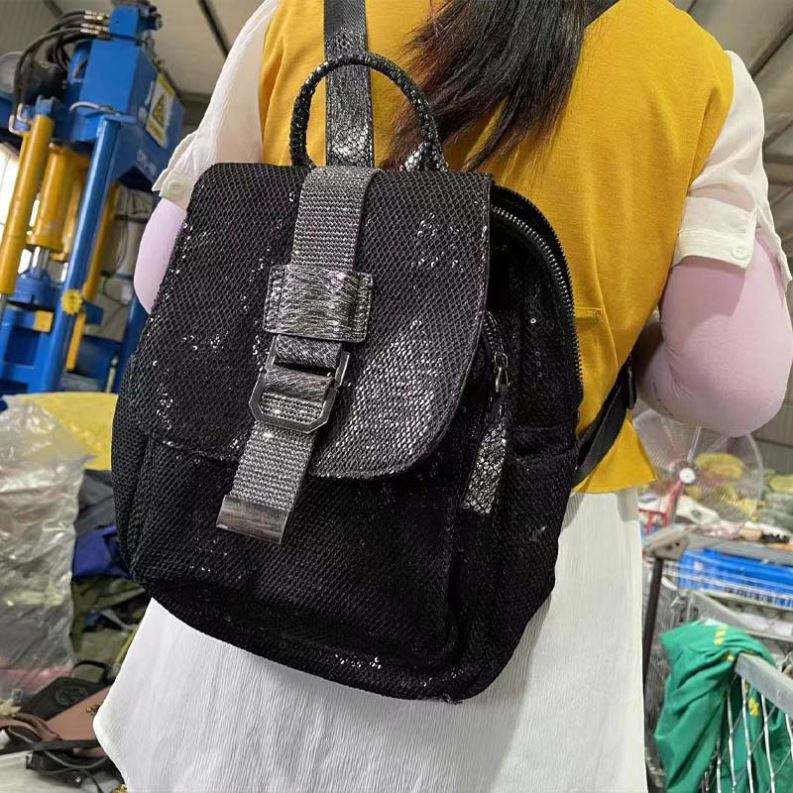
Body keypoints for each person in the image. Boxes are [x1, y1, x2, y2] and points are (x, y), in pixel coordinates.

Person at [95, 1, 793, 790]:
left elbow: (163, 274)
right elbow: (731, 380)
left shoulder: (297, 13)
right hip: (500, 587)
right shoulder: (695, 72)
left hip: (242, 539)